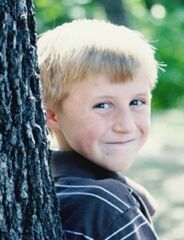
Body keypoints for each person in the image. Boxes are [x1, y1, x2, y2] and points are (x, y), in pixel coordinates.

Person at [37, 19, 159, 240]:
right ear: (52, 115)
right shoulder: (106, 206)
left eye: (137, 102)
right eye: (102, 105)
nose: (126, 125)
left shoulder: (46, 184)